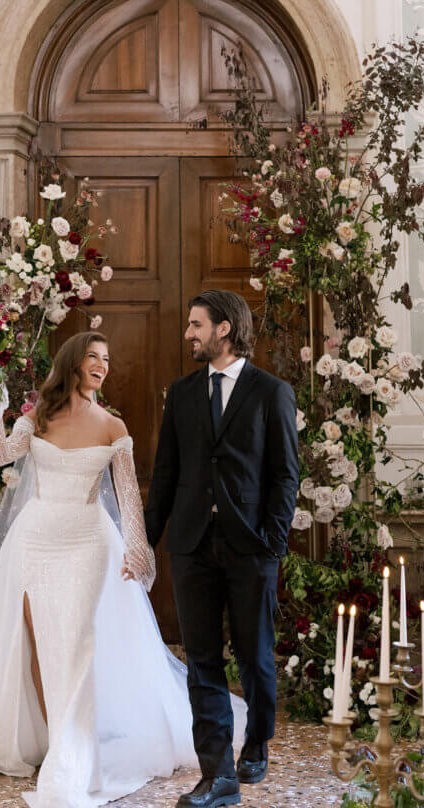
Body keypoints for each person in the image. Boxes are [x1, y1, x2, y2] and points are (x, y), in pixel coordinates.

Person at [0, 331, 246, 808]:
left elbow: (129, 498)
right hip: (35, 541)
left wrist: (139, 552)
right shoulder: (37, 419)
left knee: (79, 643)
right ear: (72, 363)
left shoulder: (113, 426)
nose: (102, 365)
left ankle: (75, 748)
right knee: (40, 645)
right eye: (93, 356)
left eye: (107, 359)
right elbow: (2, 454)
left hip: (88, 543)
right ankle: (56, 740)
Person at [145, 291, 299, 808]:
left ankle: (257, 741)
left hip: (251, 546)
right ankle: (218, 776)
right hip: (191, 546)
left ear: (224, 329)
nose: (188, 334)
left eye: (196, 325)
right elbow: (166, 471)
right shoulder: (183, 394)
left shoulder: (271, 392)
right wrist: (148, 539)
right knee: (202, 662)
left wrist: (272, 544)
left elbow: (285, 474)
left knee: (255, 655)